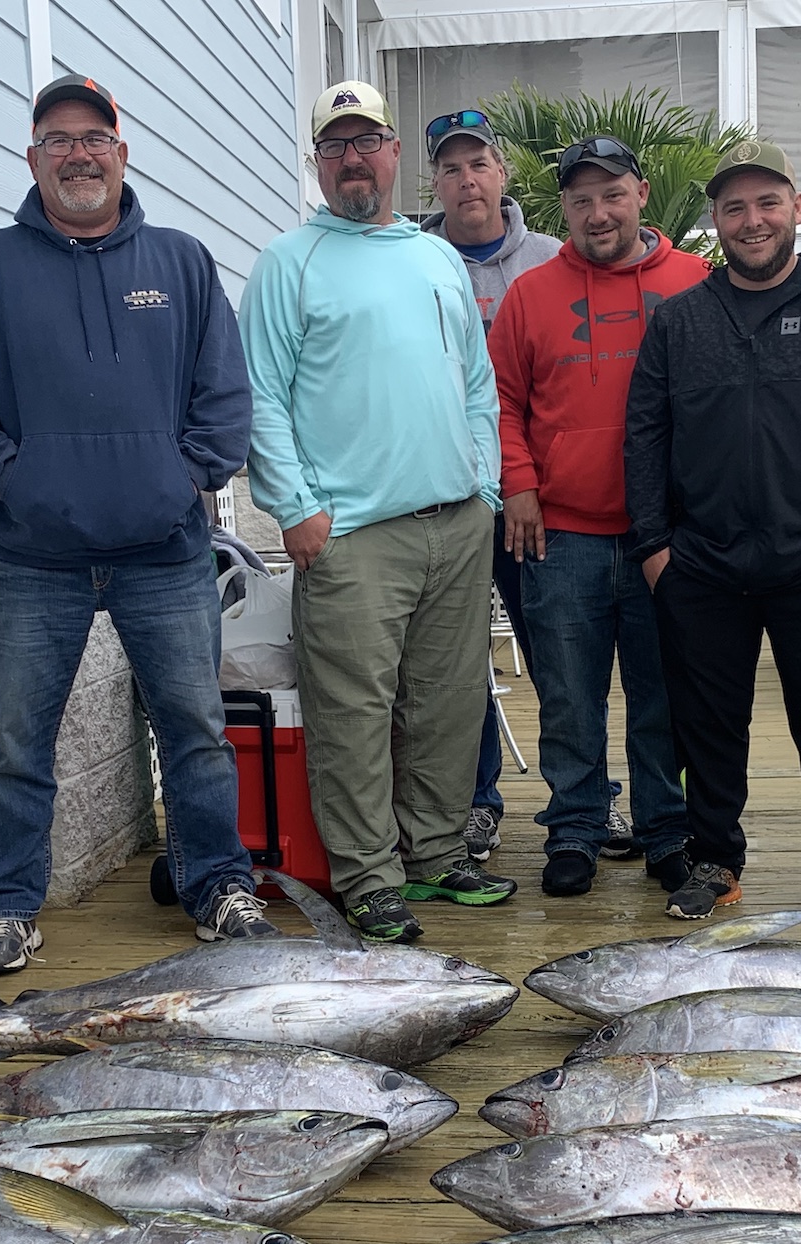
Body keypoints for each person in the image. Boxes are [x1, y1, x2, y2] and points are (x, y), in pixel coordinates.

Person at [0, 75, 277, 974]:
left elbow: (224, 396)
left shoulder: (183, 263)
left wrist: (184, 477)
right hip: (29, 558)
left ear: (121, 154)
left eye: (95, 138)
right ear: (33, 158)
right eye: (58, 140)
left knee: (194, 728)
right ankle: (7, 906)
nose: (78, 153)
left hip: (164, 552)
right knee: (16, 741)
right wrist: (16, 485)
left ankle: (218, 887)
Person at [239, 80, 513, 943]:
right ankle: (367, 875)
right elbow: (261, 397)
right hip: (350, 533)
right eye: (336, 146)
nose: (354, 159)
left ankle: (435, 856)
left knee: (446, 700)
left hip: (455, 517)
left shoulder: (434, 257)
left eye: (368, 142)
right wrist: (296, 508)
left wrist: (487, 483)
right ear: (319, 163)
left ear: (395, 155)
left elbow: (474, 379)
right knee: (353, 712)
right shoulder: (292, 261)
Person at [624, 140, 801, 925]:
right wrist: (656, 550)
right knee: (705, 725)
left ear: (798, 208)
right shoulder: (681, 321)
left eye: (767, 203)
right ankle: (713, 859)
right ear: (715, 221)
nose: (752, 221)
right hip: (704, 566)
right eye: (734, 208)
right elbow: (644, 439)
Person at [490, 136, 707, 898]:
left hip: (666, 538)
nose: (597, 212)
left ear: (641, 194)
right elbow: (504, 403)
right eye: (580, 200)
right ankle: (576, 828)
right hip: (563, 533)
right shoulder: (531, 296)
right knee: (567, 697)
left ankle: (666, 830)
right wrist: (518, 483)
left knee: (662, 696)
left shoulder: (694, 283)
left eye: (611, 194)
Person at [416, 109, 561, 864]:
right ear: (434, 183)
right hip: (450, 498)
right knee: (458, 661)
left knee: (555, 653)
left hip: (539, 498)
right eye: (450, 169)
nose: (466, 180)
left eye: (478, 165)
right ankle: (476, 803)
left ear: (502, 175)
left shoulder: (552, 260)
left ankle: (582, 798)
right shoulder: (412, 259)